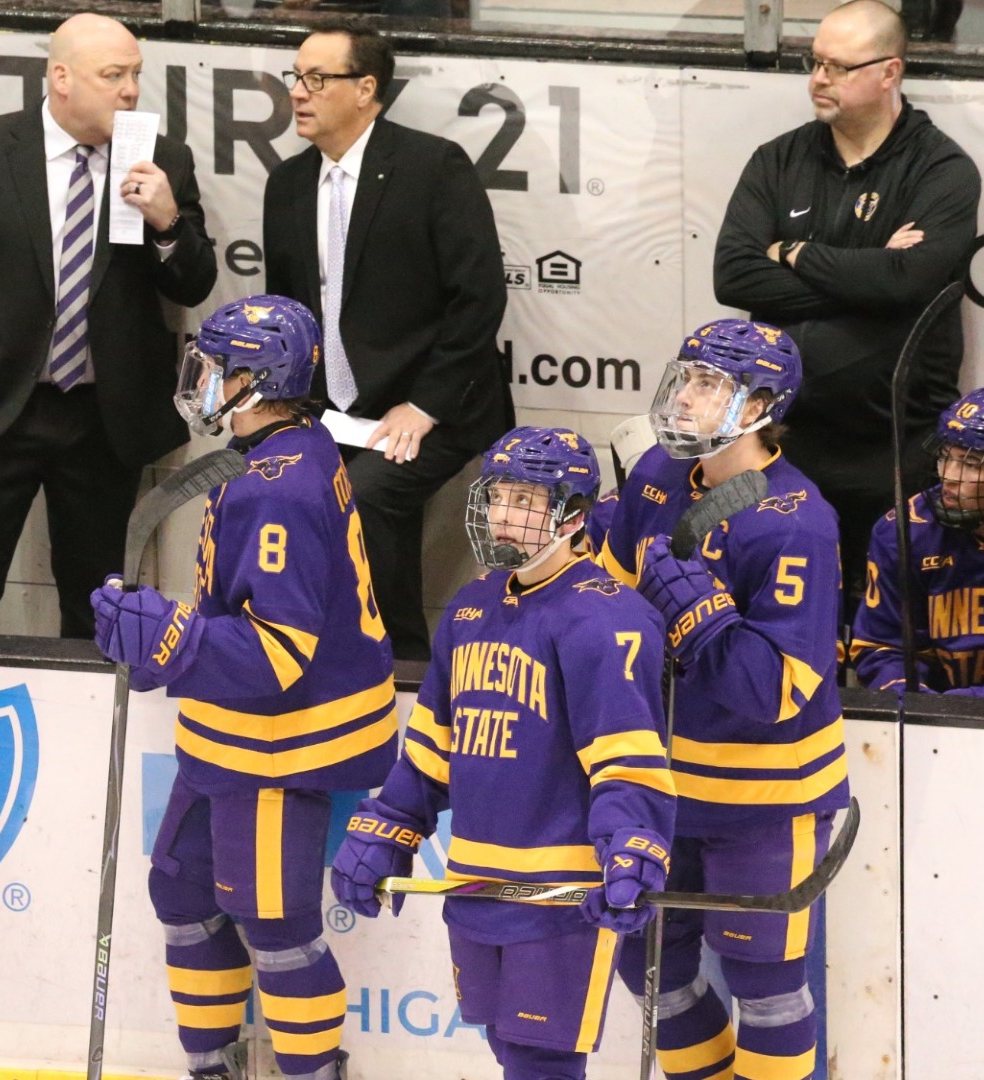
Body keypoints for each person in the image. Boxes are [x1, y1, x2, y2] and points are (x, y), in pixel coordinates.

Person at [90, 296, 397, 1080]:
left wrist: (167, 635)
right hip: (233, 738)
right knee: (183, 895)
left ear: (256, 383)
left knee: (274, 924)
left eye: (217, 368)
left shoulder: (277, 490)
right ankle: (212, 1069)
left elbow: (279, 652)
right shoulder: (290, 450)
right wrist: (176, 632)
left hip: (282, 744)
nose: (202, 379)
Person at [331, 426, 675, 1080]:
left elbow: (626, 759)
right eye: (498, 497)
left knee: (540, 1060)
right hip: (477, 879)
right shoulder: (470, 609)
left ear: (573, 515)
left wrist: (632, 842)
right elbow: (433, 743)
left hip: (560, 892)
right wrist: (391, 825)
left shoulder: (607, 619)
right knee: (503, 1044)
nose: (504, 516)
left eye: (528, 501)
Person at [0, 11, 218, 639]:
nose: (130, 90)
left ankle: (93, 727)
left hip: (104, 420)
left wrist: (167, 225)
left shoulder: (163, 160)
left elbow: (193, 284)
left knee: (98, 596)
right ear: (61, 78)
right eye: (113, 75)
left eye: (135, 74)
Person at [597, 320, 846, 1080]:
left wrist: (701, 617)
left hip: (765, 798)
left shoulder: (798, 519)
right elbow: (609, 603)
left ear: (762, 405)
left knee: (766, 991)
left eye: (711, 384)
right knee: (653, 975)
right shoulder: (653, 477)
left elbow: (773, 692)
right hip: (665, 790)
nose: (688, 396)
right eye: (688, 378)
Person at [713, 0, 980, 608]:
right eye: (814, 62)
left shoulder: (942, 170)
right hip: (786, 438)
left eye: (838, 66)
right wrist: (870, 267)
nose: (818, 79)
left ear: (889, 72)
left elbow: (909, 281)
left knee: (884, 623)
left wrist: (793, 252)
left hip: (893, 449)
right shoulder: (778, 159)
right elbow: (733, 276)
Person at [261, 24, 511, 663]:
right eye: (295, 77)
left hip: (440, 403)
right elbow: (290, 312)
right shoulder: (287, 185)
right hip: (336, 410)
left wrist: (423, 407)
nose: (298, 93)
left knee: (366, 498)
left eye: (318, 79)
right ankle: (316, 661)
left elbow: (477, 299)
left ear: (365, 89)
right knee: (281, 489)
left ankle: (400, 666)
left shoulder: (432, 167)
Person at [852, 387, 984, 695]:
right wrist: (917, 704)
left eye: (971, 464)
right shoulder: (904, 530)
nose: (949, 477)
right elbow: (880, 647)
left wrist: (970, 705)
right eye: (947, 458)